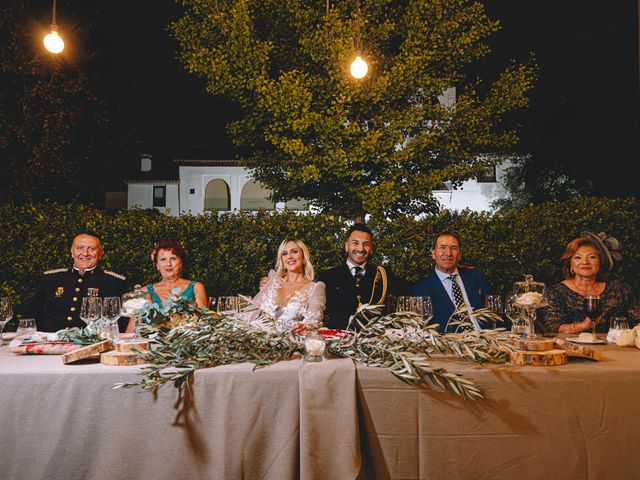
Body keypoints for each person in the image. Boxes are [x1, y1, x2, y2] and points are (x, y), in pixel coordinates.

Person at [542, 231, 639, 334]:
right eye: (578, 257)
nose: (585, 262)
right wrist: (583, 326)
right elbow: (553, 327)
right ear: (570, 265)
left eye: (592, 257)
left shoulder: (620, 290)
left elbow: (637, 322)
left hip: (615, 348)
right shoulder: (557, 292)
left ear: (601, 262)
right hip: (570, 348)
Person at [29, 232, 127, 332]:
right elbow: (32, 315)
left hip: (90, 343)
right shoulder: (51, 279)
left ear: (101, 253)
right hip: (49, 341)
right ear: (72, 252)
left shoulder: (114, 283)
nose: (85, 253)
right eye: (80, 248)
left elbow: (119, 323)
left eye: (92, 249)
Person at [318, 223, 409, 330]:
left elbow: (411, 291)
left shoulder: (383, 274)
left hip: (375, 340)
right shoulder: (328, 277)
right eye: (355, 243)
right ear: (346, 246)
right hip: (339, 340)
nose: (361, 249)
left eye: (366, 244)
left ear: (371, 249)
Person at [412, 231, 493, 333]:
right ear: (433, 253)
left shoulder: (476, 277)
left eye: (454, 248)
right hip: (451, 344)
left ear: (459, 255)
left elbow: (494, 309)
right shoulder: (422, 288)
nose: (448, 253)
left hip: (487, 339)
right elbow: (422, 327)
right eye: (442, 247)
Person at [251, 238, 325, 332]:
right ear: (281, 259)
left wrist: (305, 326)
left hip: (291, 343)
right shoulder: (272, 282)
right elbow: (251, 312)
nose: (289, 257)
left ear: (303, 258)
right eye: (284, 253)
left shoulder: (316, 288)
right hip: (257, 340)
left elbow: (314, 319)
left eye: (294, 252)